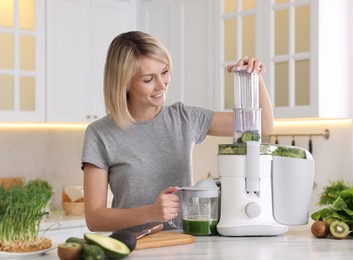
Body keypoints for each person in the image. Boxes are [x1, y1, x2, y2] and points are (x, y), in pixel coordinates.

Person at [81, 31, 274, 232]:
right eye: (148, 79)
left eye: (164, 72)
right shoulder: (99, 134)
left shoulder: (183, 118)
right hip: (134, 248)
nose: (161, 84)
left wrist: (254, 77)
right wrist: (150, 213)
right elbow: (95, 219)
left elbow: (264, 125)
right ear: (124, 83)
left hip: (184, 244)